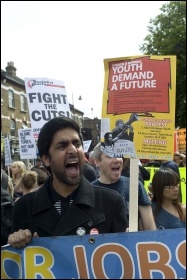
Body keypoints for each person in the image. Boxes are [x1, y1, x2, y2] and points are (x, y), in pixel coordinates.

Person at [8, 116, 128, 248]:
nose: (73, 150)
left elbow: (121, 262)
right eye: (62, 146)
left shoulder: (111, 202)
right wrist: (16, 242)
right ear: (46, 159)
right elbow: (17, 265)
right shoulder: (24, 207)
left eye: (77, 144)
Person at [92, 143, 156, 231]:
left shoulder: (135, 186)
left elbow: (150, 228)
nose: (116, 160)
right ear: (97, 162)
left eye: (119, 155)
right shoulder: (89, 191)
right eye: (110, 156)